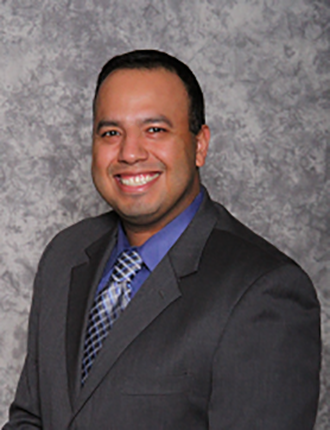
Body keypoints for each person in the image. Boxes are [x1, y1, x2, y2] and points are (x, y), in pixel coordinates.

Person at [3, 50, 320, 429]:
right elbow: (30, 417)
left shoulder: (265, 292)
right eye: (110, 133)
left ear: (199, 145)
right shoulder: (65, 254)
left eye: (155, 129)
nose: (130, 152)